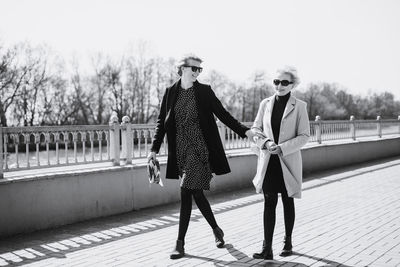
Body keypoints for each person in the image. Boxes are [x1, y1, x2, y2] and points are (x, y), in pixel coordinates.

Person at [148, 54, 255, 260]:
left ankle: (180, 244)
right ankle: (216, 230)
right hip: (180, 152)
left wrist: (245, 131)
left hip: (200, 150)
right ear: (182, 69)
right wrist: (154, 149)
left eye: (200, 69)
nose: (197, 72)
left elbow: (223, 115)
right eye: (194, 68)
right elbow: (162, 122)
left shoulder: (204, 92)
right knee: (195, 193)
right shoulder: (171, 92)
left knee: (186, 191)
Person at [251, 66, 310, 260]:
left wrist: (282, 147)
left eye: (285, 82)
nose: (280, 85)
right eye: (276, 81)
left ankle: (288, 242)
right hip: (268, 161)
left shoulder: (299, 106)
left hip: (287, 161)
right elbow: (255, 129)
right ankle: (267, 248)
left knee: (287, 200)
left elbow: (304, 136)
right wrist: (266, 142)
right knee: (269, 202)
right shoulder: (265, 103)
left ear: (293, 84)